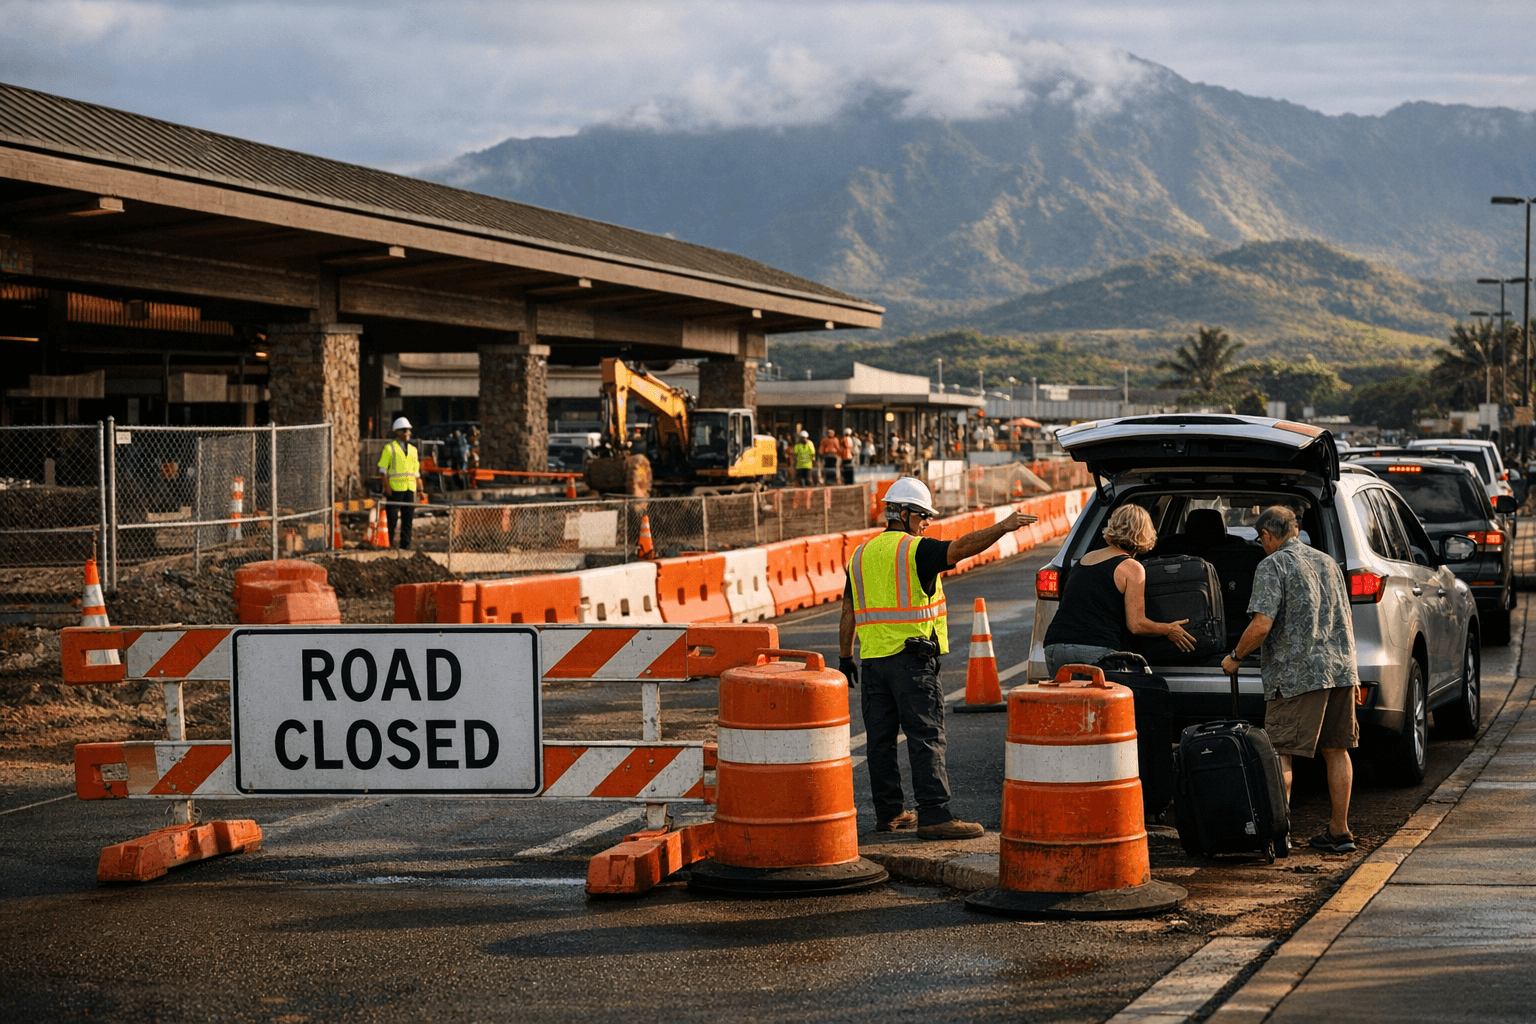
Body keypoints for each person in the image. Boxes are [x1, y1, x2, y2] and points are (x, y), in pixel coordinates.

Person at [839, 477, 1039, 839]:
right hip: (912, 662)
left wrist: (844, 656)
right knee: (925, 736)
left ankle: (890, 813)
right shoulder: (914, 550)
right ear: (904, 514)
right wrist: (1003, 527)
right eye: (923, 516)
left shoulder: (860, 555)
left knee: (880, 742)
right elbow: (961, 547)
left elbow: (848, 610)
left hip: (873, 664)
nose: (927, 523)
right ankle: (935, 815)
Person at [1221, 505, 1360, 854]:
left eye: (1261, 539)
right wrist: (1353, 674)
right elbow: (1345, 618)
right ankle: (1339, 830)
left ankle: (1279, 834)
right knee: (1337, 750)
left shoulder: (1273, 565)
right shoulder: (1328, 562)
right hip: (1340, 671)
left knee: (1281, 753)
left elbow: (1262, 624)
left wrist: (1235, 657)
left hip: (1296, 675)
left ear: (1268, 536)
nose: (1262, 545)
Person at [1042, 505, 1197, 677]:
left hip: (1054, 647)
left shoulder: (1085, 559)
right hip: (1095, 650)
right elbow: (1136, 624)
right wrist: (1168, 629)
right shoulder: (1132, 568)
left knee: (1068, 703)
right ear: (1144, 532)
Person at [377, 416, 424, 549]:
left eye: (408, 430)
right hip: (395, 490)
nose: (407, 433)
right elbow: (382, 471)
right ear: (397, 432)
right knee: (391, 520)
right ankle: (389, 545)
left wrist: (420, 490)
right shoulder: (389, 448)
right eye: (404, 430)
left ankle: (405, 546)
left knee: (407, 520)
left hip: (410, 490)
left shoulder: (413, 451)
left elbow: (416, 474)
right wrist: (387, 488)